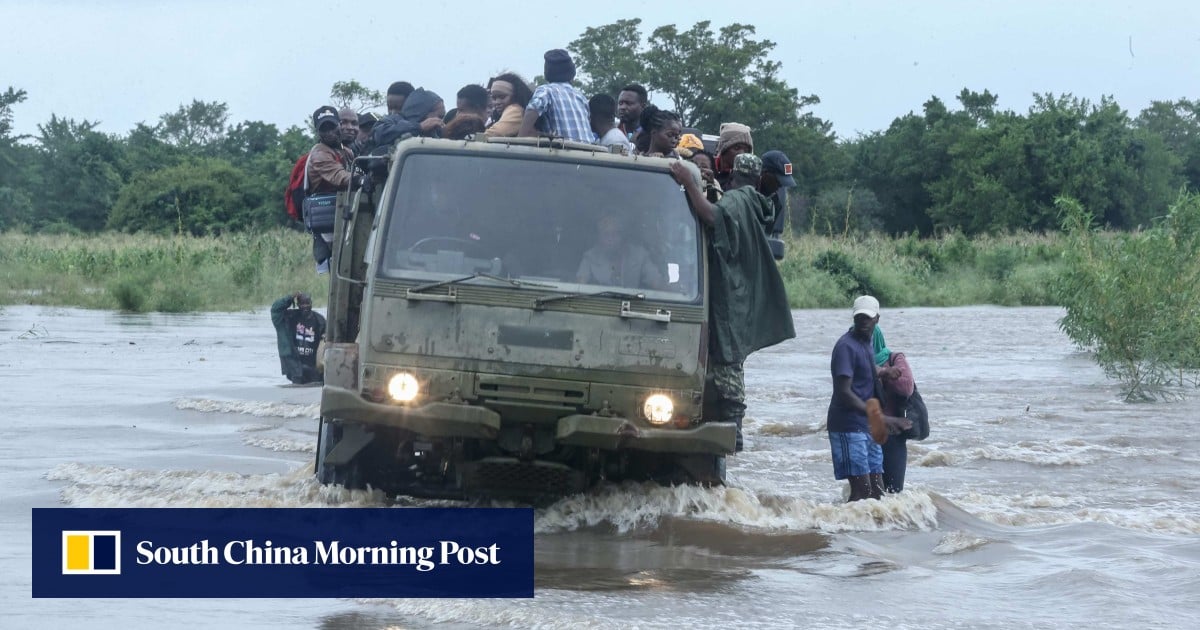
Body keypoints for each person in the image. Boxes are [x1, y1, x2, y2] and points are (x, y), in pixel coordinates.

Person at [669, 153, 796, 452]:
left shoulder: (738, 200)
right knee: (733, 356)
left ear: (734, 175)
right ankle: (734, 429)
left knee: (727, 357)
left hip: (727, 293)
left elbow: (712, 217)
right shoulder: (755, 202)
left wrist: (690, 183)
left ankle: (733, 430)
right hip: (740, 292)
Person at [826, 295, 891, 501]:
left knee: (878, 492)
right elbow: (843, 392)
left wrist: (885, 372)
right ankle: (844, 531)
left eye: (867, 318)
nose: (863, 322)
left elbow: (868, 368)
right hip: (848, 426)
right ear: (854, 318)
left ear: (877, 319)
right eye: (859, 318)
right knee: (862, 491)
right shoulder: (845, 346)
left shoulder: (867, 343)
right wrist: (871, 412)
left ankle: (874, 532)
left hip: (867, 426)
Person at [307, 106, 359, 273]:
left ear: (338, 125)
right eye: (324, 128)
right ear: (318, 132)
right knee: (338, 265)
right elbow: (340, 177)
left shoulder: (345, 151)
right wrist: (361, 179)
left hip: (341, 212)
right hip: (327, 216)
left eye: (332, 126)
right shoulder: (319, 154)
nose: (330, 132)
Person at [518, 49, 596, 143]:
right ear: (572, 73)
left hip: (564, 152)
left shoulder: (546, 91)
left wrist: (522, 136)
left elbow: (532, 109)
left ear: (547, 73)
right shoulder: (580, 96)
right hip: (590, 152)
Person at [873, 326, 916, 493]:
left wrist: (884, 372)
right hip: (864, 434)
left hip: (892, 435)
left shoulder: (894, 358)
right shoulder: (855, 359)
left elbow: (906, 388)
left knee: (893, 492)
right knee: (867, 493)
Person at [575, 214, 665, 289]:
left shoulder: (640, 256)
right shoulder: (590, 257)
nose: (610, 239)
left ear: (623, 236)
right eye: (606, 234)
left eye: (615, 234)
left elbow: (657, 282)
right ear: (599, 237)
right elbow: (579, 286)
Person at [271, 292, 326, 385]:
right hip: (295, 365)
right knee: (296, 391)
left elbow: (328, 339)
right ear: (297, 304)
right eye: (302, 303)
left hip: (313, 367)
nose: (305, 306)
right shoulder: (289, 317)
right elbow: (275, 310)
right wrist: (290, 298)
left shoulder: (319, 320)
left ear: (311, 303)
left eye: (307, 303)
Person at [372, 87, 445, 147]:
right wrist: (418, 127)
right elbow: (379, 135)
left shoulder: (435, 132)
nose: (439, 121)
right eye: (439, 116)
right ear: (424, 112)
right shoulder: (391, 121)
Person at [760, 150, 797, 237]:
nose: (780, 186)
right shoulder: (744, 197)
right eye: (778, 181)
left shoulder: (775, 204)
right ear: (765, 173)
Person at [484, 72, 533, 137]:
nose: (497, 102)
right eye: (494, 98)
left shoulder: (516, 110)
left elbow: (492, 133)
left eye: (502, 97)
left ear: (515, 96)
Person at [714, 122, 753, 189]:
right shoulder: (708, 168)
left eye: (746, 150)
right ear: (723, 149)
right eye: (737, 148)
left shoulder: (750, 179)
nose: (742, 153)